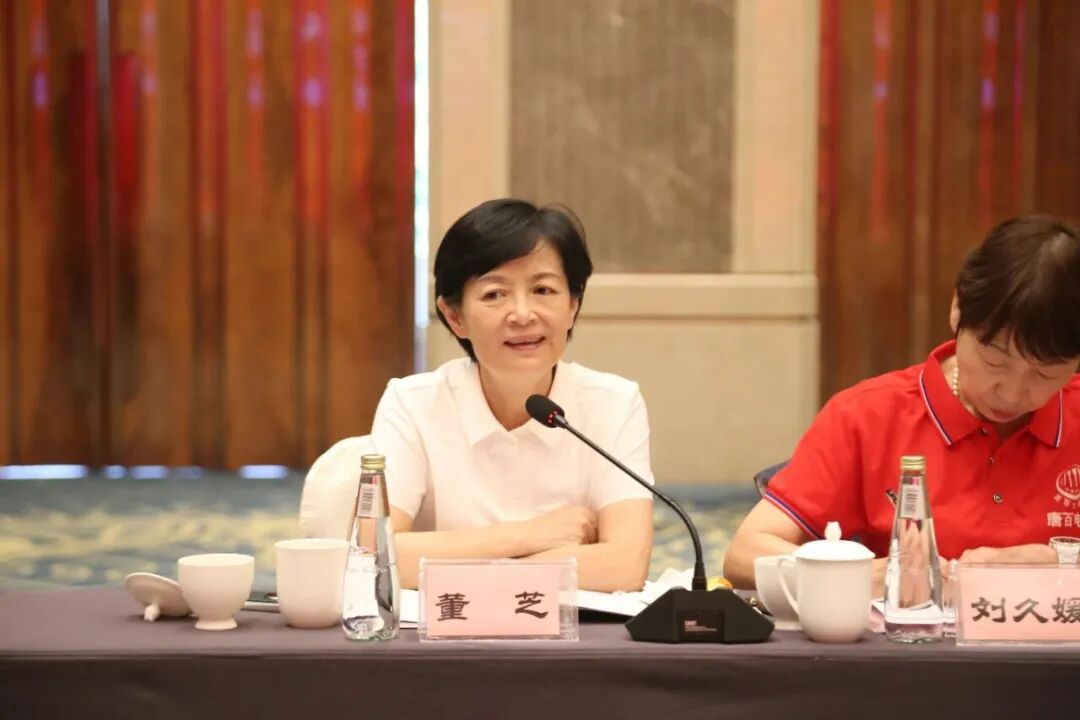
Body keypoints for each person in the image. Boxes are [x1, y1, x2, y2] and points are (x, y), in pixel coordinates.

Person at [724, 214, 1080, 594]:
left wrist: (1064, 563)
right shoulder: (867, 417)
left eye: (1044, 374)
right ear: (958, 308)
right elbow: (745, 555)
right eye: (995, 362)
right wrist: (857, 576)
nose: (1011, 393)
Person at [370, 198, 654, 591]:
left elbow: (624, 565)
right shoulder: (412, 404)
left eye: (543, 289)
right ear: (455, 316)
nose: (522, 314)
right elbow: (375, 556)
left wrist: (458, 562)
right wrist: (529, 536)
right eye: (494, 294)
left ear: (573, 305)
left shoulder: (614, 403)